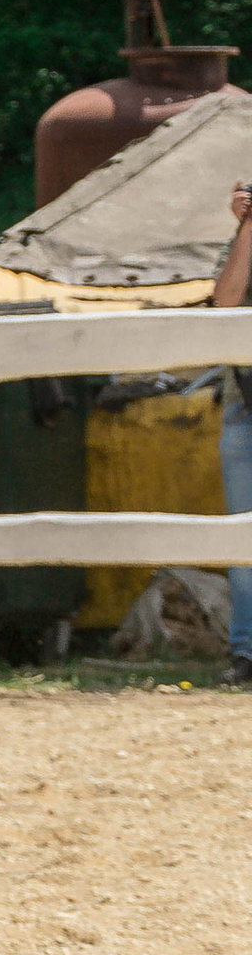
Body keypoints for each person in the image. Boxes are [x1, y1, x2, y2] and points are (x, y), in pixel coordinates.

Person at [211, 179, 252, 685]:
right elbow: (224, 303)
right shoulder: (243, 238)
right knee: (242, 537)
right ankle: (246, 653)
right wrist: (247, 228)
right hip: (245, 403)